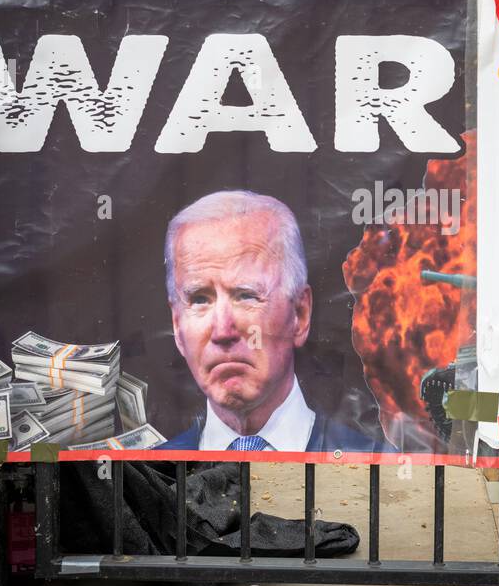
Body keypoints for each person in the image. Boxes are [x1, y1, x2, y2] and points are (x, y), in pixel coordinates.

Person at [159, 190, 385, 453]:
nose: (222, 330)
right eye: (199, 299)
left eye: (246, 295)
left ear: (299, 314)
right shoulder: (148, 481)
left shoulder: (375, 471)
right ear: (177, 326)